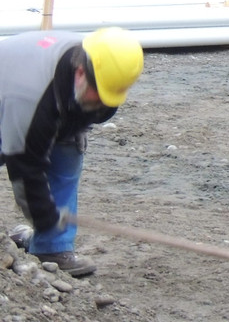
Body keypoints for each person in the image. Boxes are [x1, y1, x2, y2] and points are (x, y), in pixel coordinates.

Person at [1, 27, 144, 277]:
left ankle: (52, 248)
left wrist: (74, 125)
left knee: (69, 149)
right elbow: (24, 168)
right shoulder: (30, 97)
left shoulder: (100, 61)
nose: (103, 103)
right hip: (11, 102)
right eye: (99, 94)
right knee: (25, 153)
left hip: (40, 101)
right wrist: (46, 216)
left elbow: (93, 105)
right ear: (80, 72)